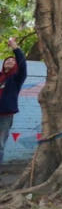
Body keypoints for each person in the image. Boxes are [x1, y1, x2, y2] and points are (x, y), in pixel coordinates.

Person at [1, 37, 27, 167]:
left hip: (4, 116)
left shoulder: (16, 79)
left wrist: (15, 47)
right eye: (7, 60)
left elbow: (22, 64)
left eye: (13, 60)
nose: (10, 61)